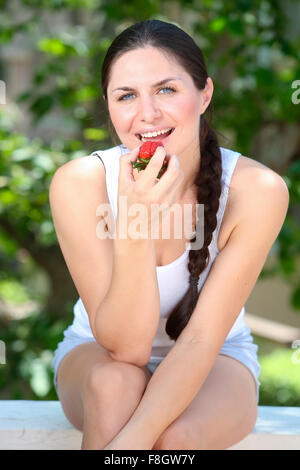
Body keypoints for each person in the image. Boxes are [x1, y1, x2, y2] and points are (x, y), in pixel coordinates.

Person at [50, 19, 289, 450]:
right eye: (126, 95)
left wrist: (129, 447)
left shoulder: (257, 190)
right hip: (98, 353)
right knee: (112, 385)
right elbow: (127, 349)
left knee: (174, 441)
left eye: (166, 89)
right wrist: (135, 222)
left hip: (216, 356)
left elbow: (199, 340)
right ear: (109, 106)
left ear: (205, 94)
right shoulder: (79, 184)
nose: (147, 113)